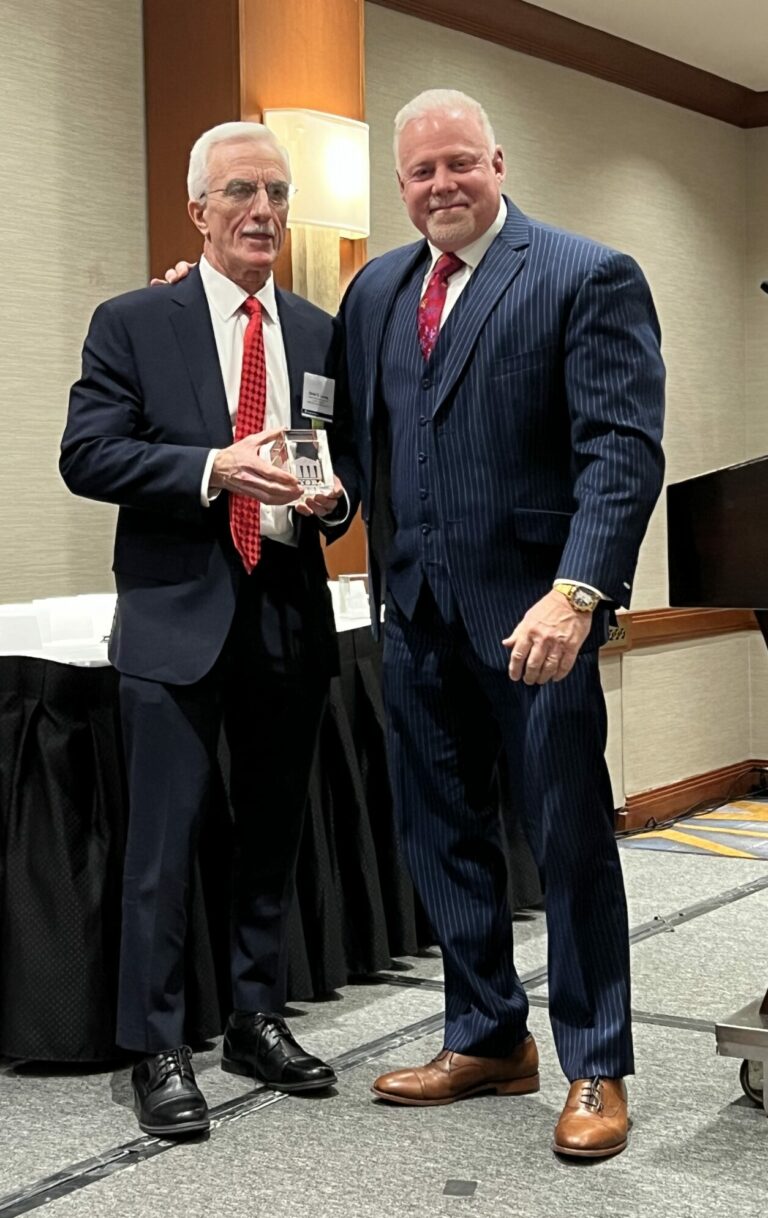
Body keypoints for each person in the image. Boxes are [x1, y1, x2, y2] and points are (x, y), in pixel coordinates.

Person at [339, 89, 665, 1159]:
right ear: (400, 185)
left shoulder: (585, 273)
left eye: (459, 163)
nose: (441, 184)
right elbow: (353, 441)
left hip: (539, 626)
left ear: (498, 161)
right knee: (441, 838)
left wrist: (579, 593)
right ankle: (486, 1037)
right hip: (415, 617)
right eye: (421, 171)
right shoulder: (377, 290)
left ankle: (597, 1063)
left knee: (570, 842)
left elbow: (621, 452)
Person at [61, 121, 358, 1138]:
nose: (263, 210)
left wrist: (334, 502)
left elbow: (340, 460)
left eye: (276, 193)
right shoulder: (134, 320)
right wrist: (212, 468)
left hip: (287, 612)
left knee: (270, 839)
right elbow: (87, 454)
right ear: (198, 210)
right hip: (176, 616)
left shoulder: (318, 331)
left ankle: (254, 1018)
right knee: (163, 844)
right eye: (240, 192)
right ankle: (156, 1044)